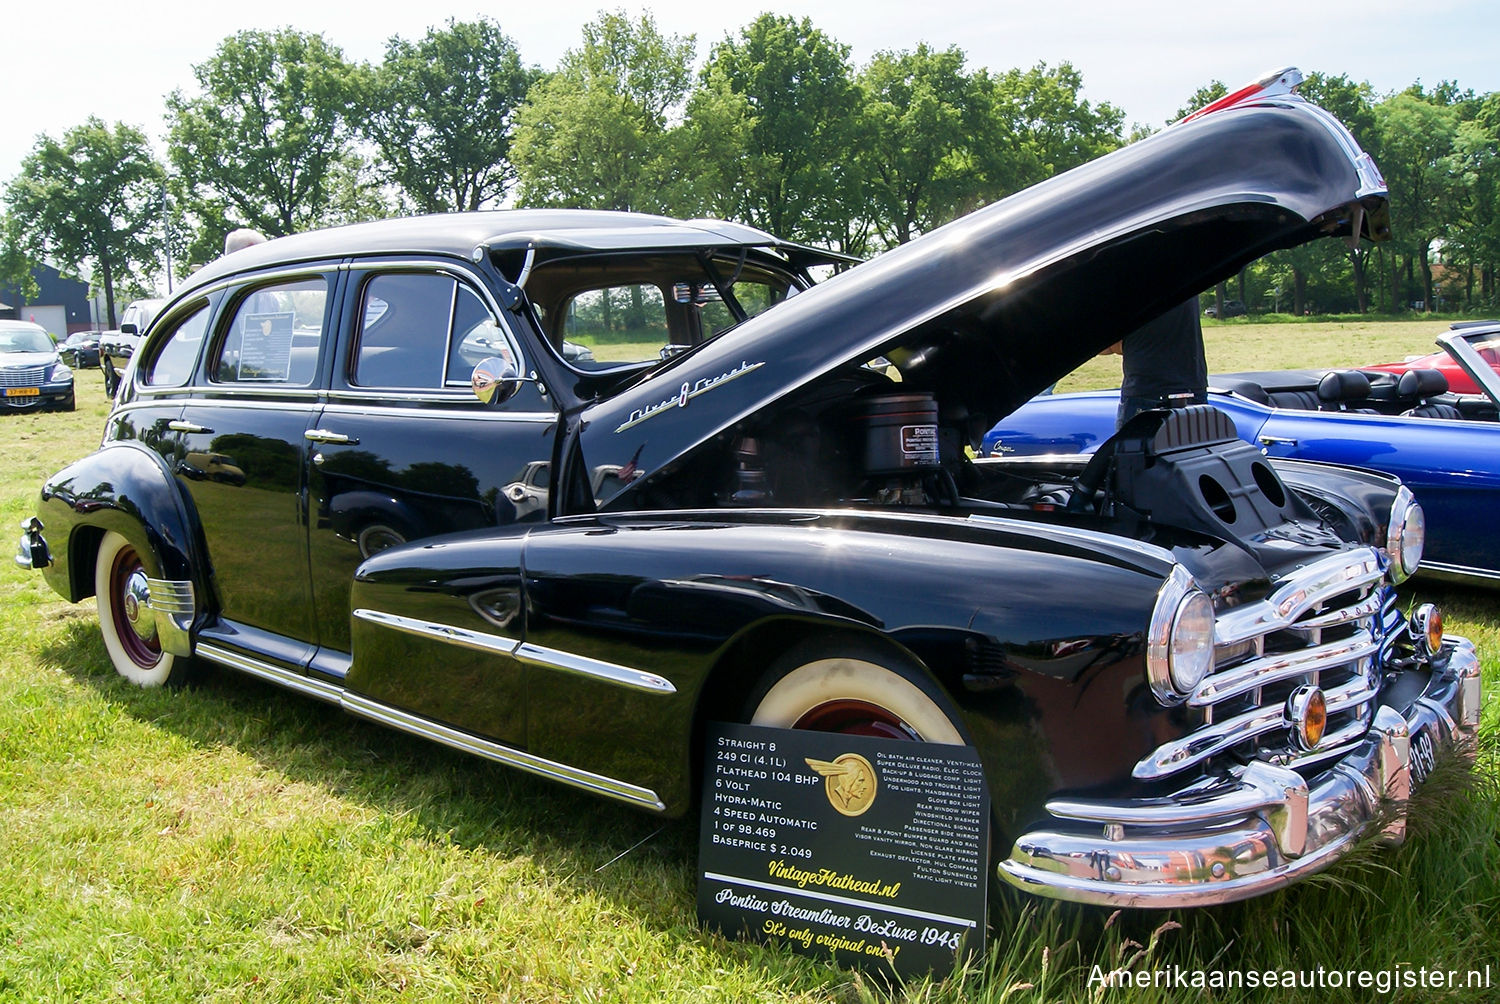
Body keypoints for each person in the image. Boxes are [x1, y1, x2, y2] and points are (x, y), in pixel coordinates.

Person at [1115, 298, 1207, 427]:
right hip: (1192, 387)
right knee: (1196, 445)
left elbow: (1110, 346)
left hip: (1147, 390)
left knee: (1136, 446)